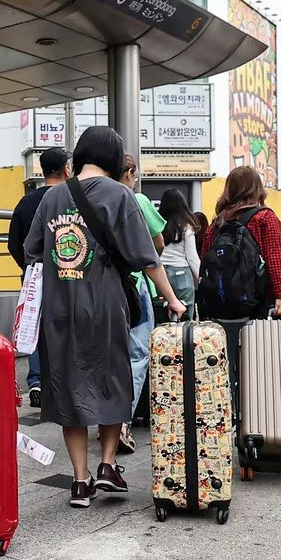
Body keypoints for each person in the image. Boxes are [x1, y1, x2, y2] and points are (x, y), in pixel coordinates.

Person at [24, 126, 185, 508]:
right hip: (105, 309)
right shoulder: (119, 195)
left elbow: (32, 250)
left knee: (69, 391)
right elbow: (147, 258)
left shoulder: (51, 197)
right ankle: (108, 465)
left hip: (60, 312)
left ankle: (80, 481)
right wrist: (173, 299)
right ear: (114, 158)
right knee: (113, 383)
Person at [9, 148, 71, 408]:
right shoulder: (70, 199)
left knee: (34, 325)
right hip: (67, 275)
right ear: (66, 169)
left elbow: (14, 243)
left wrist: (28, 268)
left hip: (34, 275)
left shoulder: (26, 202)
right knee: (66, 328)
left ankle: (36, 382)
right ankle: (62, 384)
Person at [199, 166, 281, 320]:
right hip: (256, 302)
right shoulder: (264, 218)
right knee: (257, 335)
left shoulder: (217, 223)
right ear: (258, 189)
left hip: (220, 304)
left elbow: (205, 261)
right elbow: (275, 258)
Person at [119, 155, 165, 454]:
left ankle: (107, 420)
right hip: (135, 285)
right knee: (137, 354)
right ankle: (123, 422)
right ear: (130, 173)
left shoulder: (93, 199)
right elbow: (156, 245)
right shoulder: (137, 199)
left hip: (102, 288)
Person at [159, 188, 200, 318]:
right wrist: (201, 278)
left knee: (161, 315)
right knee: (185, 316)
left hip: (160, 274)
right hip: (181, 273)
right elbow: (192, 258)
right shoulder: (186, 227)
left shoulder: (158, 226)